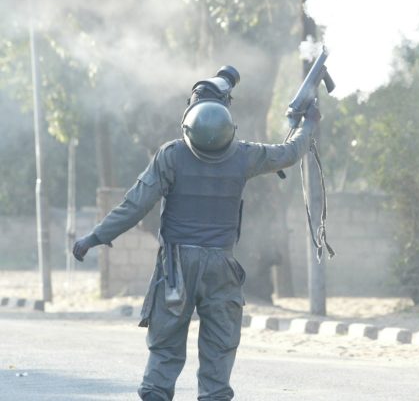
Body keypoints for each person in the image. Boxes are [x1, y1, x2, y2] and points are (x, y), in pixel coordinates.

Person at [73, 67, 320, 401]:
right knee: (219, 352)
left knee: (165, 350)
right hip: (221, 266)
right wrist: (308, 124)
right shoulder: (243, 156)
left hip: (175, 269)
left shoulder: (172, 155)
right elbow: (289, 153)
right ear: (228, 124)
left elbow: (134, 205)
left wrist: (94, 237)